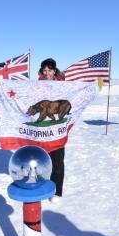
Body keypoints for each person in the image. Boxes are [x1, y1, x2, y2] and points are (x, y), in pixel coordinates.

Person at [38, 58, 65, 202]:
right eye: (44, 70)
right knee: (40, 158)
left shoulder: (63, 86)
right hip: (41, 130)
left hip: (57, 129)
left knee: (57, 160)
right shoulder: (36, 86)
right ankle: (41, 185)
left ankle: (57, 191)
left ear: (54, 71)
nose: (47, 73)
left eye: (49, 70)